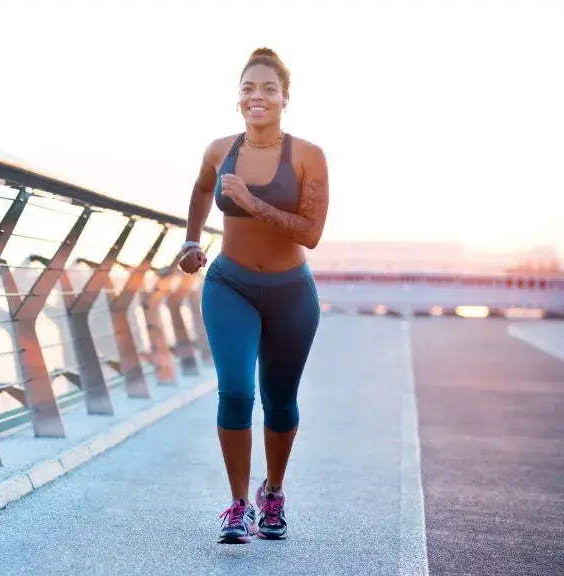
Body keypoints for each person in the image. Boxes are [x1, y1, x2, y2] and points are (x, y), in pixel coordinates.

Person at [179, 47, 330, 544]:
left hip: (291, 293)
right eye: (248, 88)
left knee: (280, 401)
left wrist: (248, 201)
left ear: (285, 97)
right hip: (230, 285)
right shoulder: (219, 149)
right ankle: (239, 504)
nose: (257, 96)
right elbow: (203, 190)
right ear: (237, 98)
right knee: (237, 391)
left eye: (268, 88)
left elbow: (310, 233)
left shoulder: (308, 155)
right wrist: (192, 239)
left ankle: (274, 494)